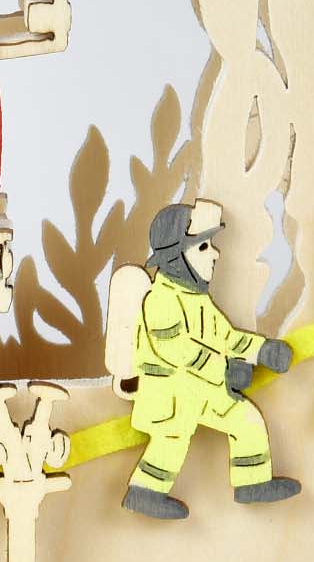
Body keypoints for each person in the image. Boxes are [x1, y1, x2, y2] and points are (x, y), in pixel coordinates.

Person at [124, 200, 300, 520]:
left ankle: (252, 482)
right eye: (204, 247)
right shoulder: (161, 300)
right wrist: (225, 369)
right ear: (176, 256)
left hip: (199, 389)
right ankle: (144, 493)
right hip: (168, 393)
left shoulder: (197, 299)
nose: (215, 254)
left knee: (246, 419)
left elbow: (226, 338)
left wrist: (262, 351)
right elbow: (176, 350)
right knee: (170, 441)